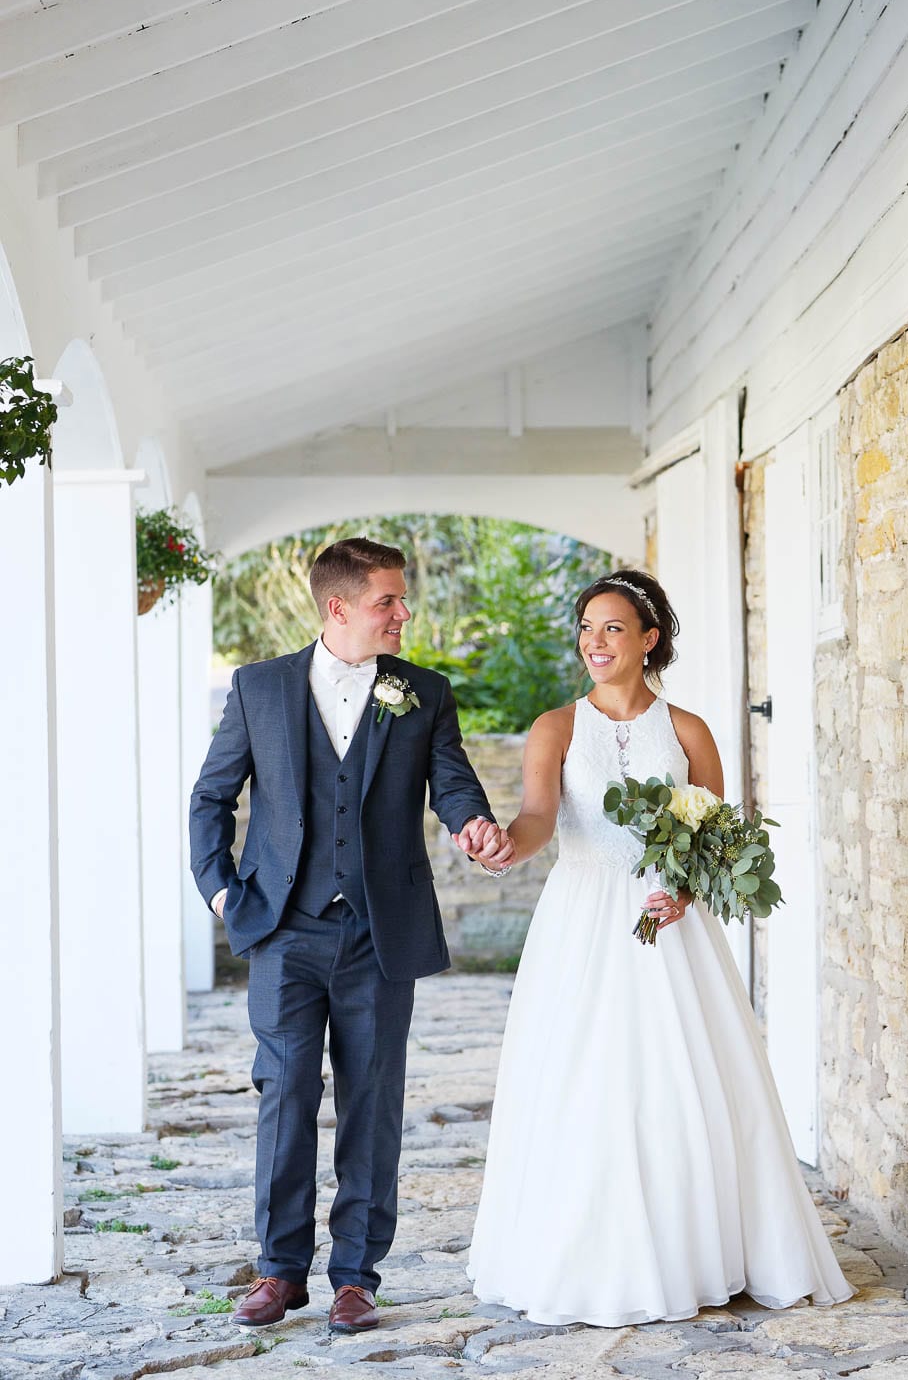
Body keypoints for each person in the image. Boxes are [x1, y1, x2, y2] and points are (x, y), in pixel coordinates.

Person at [466, 569, 857, 1326]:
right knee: (585, 1081)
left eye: (612, 628)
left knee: (683, 1085)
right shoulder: (555, 727)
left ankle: (701, 1252)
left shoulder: (688, 731)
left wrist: (683, 891)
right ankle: (583, 1255)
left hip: (665, 926)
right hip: (581, 920)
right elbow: (540, 817)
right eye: (586, 628)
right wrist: (505, 847)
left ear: (649, 640)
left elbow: (717, 834)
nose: (595, 642)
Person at [189, 537, 509, 1333]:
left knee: (372, 1102)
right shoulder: (259, 687)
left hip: (378, 932)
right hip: (284, 930)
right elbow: (211, 796)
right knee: (286, 1093)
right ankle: (278, 1271)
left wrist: (471, 822)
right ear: (339, 607)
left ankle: (356, 1277)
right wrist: (222, 891)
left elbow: (454, 780)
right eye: (387, 602)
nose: (403, 614)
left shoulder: (422, 692)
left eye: (401, 601)